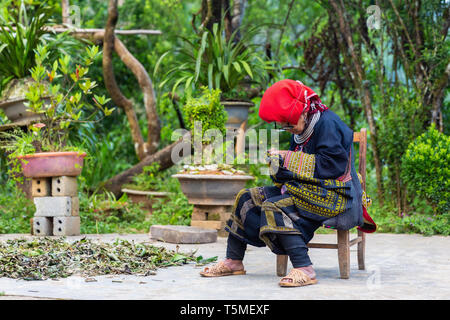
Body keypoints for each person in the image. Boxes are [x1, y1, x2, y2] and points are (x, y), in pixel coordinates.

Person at [199, 79, 376, 287]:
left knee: (275, 207)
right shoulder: (301, 128)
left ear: (302, 112)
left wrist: (289, 159)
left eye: (288, 124)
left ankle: (305, 269)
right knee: (246, 198)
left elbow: (332, 167)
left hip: (336, 195)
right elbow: (296, 170)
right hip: (305, 190)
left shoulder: (328, 123)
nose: (287, 128)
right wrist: (278, 165)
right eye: (283, 125)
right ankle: (233, 261)